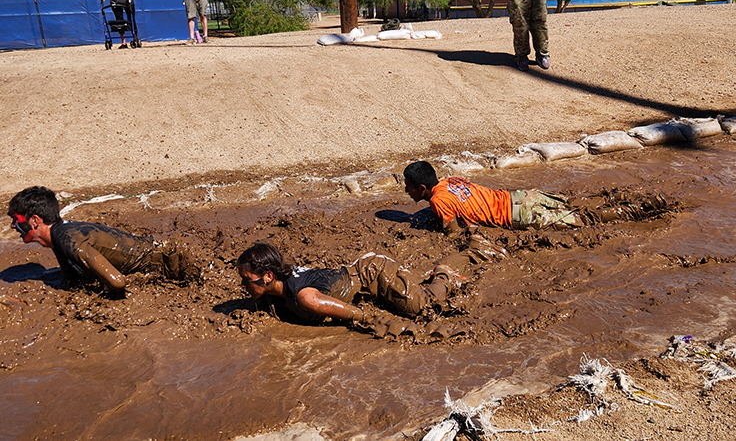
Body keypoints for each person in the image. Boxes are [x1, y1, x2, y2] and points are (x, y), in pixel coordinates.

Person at [8, 186, 198, 298]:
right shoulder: (61, 236)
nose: (12, 227)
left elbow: (117, 282)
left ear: (34, 220)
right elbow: (74, 280)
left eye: (16, 220)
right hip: (164, 250)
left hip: (172, 256)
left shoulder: (64, 238)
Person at [403, 161, 671, 236]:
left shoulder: (438, 202)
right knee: (576, 203)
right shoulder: (450, 180)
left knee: (584, 219)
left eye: (409, 187)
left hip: (519, 216)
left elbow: (453, 233)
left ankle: (644, 208)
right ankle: (628, 197)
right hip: (522, 196)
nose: (407, 191)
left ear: (423, 188)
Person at [236, 241, 463, 325]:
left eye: (246, 281)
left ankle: (444, 273)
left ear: (268, 276)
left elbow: (362, 316)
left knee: (421, 307)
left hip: (373, 272)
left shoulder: (306, 297)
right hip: (357, 275)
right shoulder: (272, 292)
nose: (243, 287)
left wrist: (393, 326)